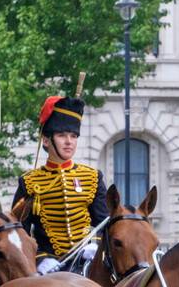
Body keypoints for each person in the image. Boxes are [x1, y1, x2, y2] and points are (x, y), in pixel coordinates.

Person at [13, 93, 109, 274]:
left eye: (73, 136)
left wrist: (95, 245)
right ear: (47, 140)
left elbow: (105, 224)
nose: (69, 142)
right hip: (48, 268)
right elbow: (20, 233)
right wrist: (39, 259)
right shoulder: (29, 182)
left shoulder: (92, 177)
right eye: (62, 135)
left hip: (87, 262)